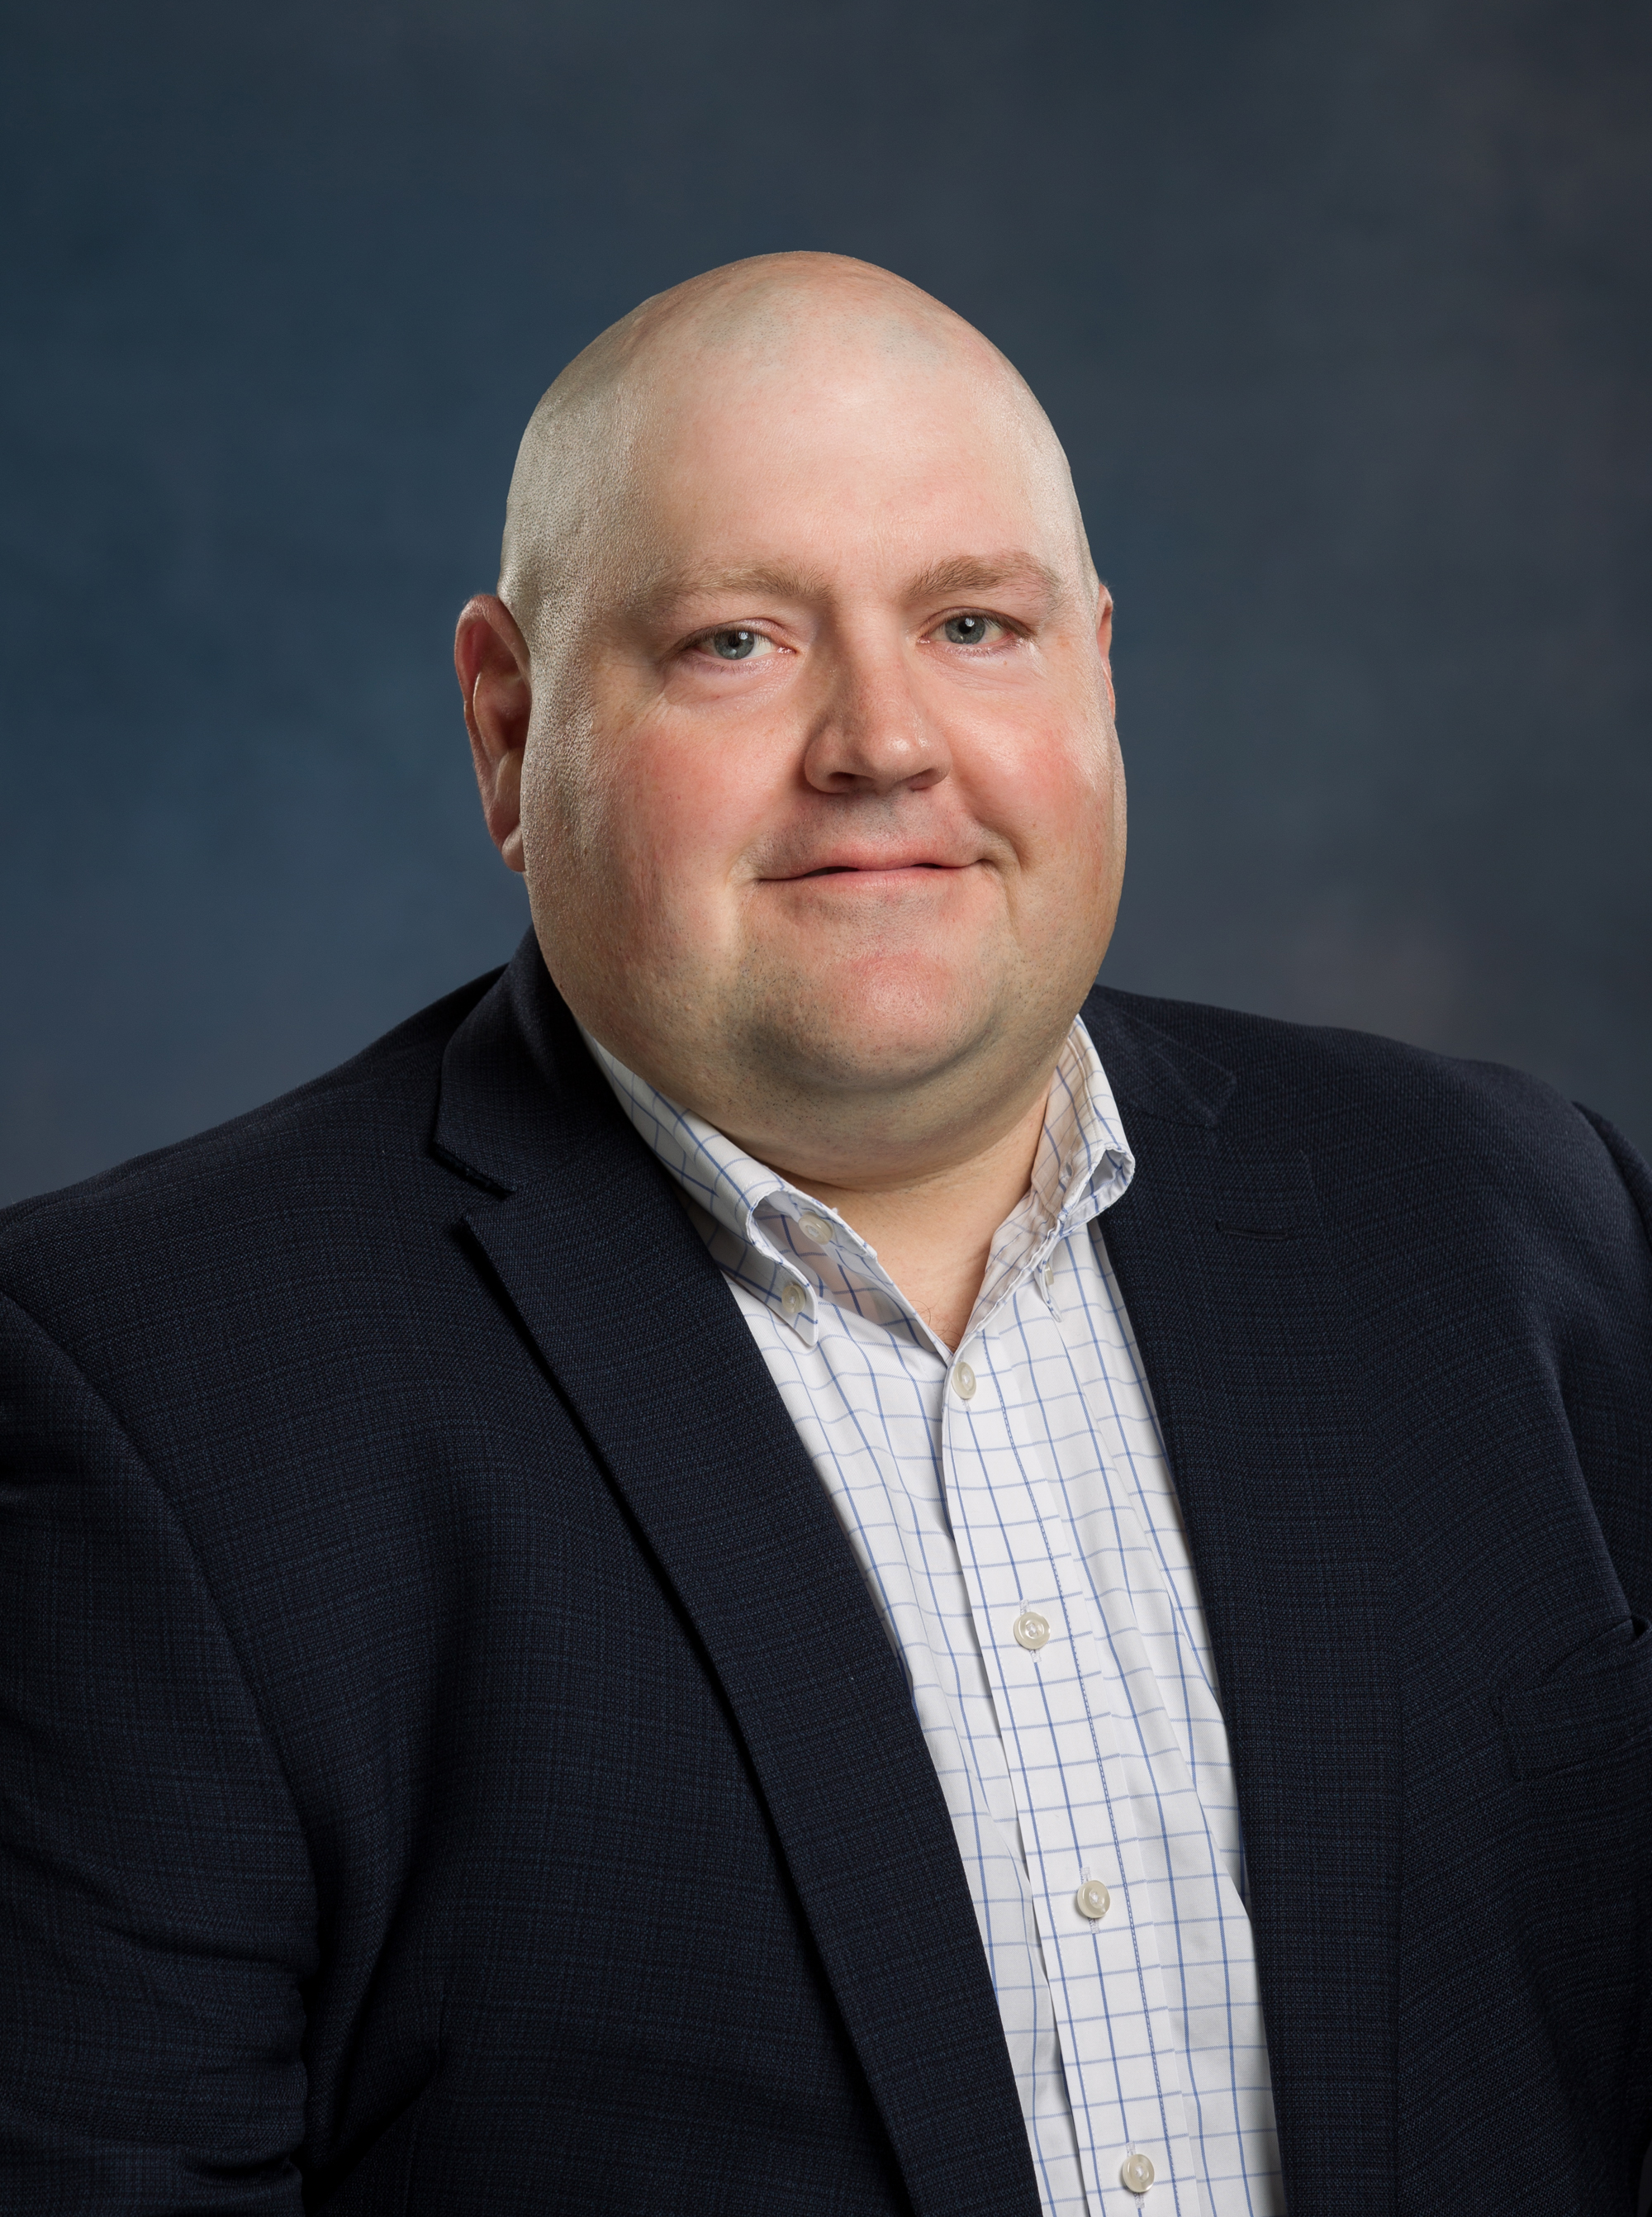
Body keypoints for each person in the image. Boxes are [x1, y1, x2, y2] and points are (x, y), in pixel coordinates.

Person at [1, 252, 1647, 2216]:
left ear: (1098, 672)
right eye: (733, 643)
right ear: (507, 727)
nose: (883, 741)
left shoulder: (1507, 1224)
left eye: (972, 622)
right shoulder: (146, 1390)